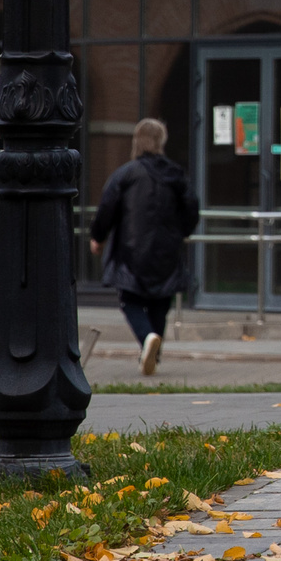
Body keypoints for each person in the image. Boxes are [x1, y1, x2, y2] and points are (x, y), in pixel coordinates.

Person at [90, 118, 198, 377]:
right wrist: (181, 232)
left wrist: (98, 237)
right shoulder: (176, 174)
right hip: (167, 250)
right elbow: (191, 208)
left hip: (132, 247)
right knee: (161, 301)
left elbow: (107, 207)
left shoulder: (127, 173)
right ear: (162, 141)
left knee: (131, 300)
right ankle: (154, 352)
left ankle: (147, 338)